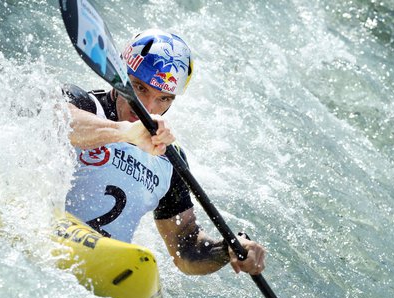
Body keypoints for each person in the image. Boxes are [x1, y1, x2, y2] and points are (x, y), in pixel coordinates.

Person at [63, 29, 265, 276]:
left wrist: (229, 248)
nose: (148, 108)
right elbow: (61, 123)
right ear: (120, 77)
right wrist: (124, 132)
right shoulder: (83, 104)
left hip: (104, 269)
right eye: (139, 88)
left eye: (164, 98)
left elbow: (186, 251)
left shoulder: (169, 159)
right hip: (52, 238)